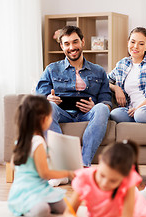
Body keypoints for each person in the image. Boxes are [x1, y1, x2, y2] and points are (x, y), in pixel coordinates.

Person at [36, 25, 112, 168]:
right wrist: (48, 98)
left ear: (83, 42)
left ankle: (83, 165)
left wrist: (95, 107)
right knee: (47, 107)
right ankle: (60, 166)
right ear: (61, 46)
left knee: (102, 109)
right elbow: (39, 96)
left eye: (75, 42)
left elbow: (106, 100)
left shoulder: (99, 71)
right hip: (62, 112)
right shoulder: (52, 69)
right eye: (67, 44)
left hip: (87, 114)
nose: (72, 47)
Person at [63, 140, 146, 217]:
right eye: (102, 175)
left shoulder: (127, 180)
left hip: (132, 202)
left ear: (124, 178)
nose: (104, 183)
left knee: (142, 198)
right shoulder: (84, 178)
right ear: (100, 160)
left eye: (113, 181)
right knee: (139, 195)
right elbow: (69, 212)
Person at [7, 95, 75, 217]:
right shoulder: (38, 141)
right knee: (42, 211)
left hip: (39, 187)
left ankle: (36, 203)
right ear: (43, 119)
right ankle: (23, 206)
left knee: (64, 207)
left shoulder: (20, 140)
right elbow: (45, 173)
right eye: (50, 116)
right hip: (27, 190)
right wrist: (68, 173)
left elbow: (13, 165)